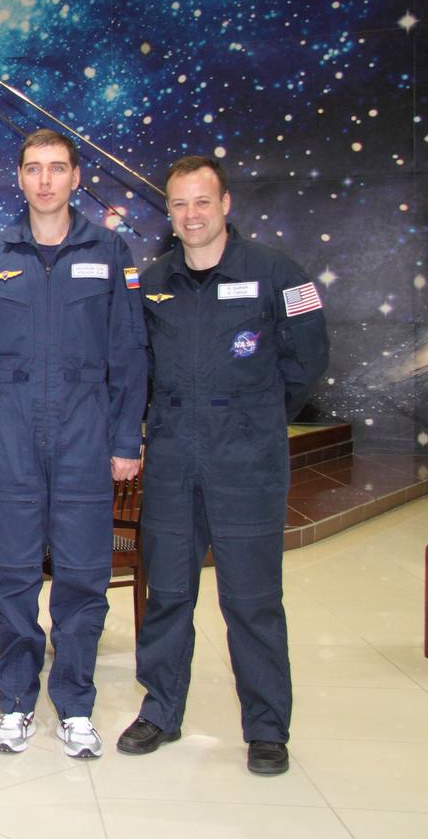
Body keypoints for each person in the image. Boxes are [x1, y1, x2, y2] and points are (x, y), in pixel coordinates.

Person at [116, 155, 329, 776]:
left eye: (202, 201)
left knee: (252, 599)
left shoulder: (277, 273)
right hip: (173, 457)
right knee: (168, 592)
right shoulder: (153, 281)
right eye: (180, 204)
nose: (192, 215)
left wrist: (255, 417)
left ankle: (266, 728)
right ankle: (161, 711)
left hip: (247, 461)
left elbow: (308, 359)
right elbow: (136, 366)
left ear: (226, 204)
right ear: (169, 212)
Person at [0, 129, 147, 758]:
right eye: (34, 168)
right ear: (20, 177)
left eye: (57, 168)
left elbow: (129, 352)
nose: (45, 180)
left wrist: (125, 438)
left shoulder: (109, 250)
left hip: (85, 431)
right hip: (11, 431)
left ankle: (75, 705)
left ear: (75, 177)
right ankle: (15, 701)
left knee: (83, 576)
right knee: (12, 574)